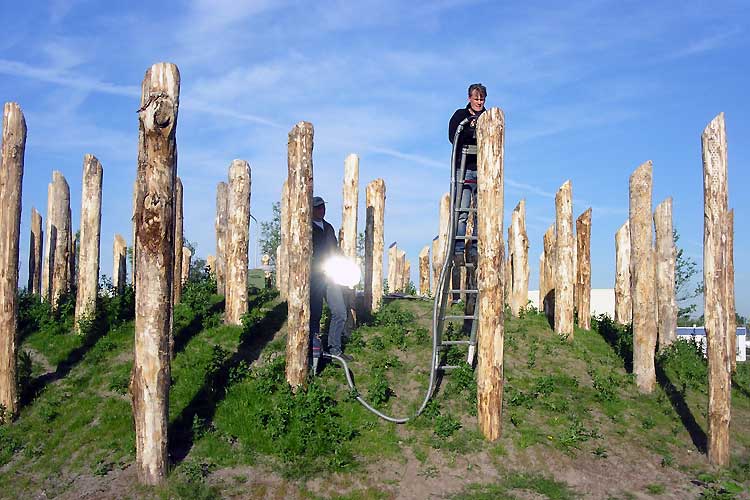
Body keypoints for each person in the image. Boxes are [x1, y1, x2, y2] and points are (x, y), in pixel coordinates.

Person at [448, 83, 487, 262]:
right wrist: (470, 130)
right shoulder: (460, 115)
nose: (479, 102)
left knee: (481, 212)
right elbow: (453, 136)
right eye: (476, 98)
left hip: (484, 170)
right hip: (464, 169)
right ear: (469, 98)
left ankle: (475, 249)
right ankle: (458, 250)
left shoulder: (488, 117)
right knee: (462, 211)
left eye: (481, 98)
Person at [310, 196, 350, 361]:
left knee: (340, 312)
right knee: (315, 314)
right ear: (311, 209)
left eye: (322, 207)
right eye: (318, 207)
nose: (322, 209)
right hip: (315, 277)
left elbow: (335, 250)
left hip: (331, 275)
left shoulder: (328, 227)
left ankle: (334, 349)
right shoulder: (307, 228)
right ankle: (313, 350)